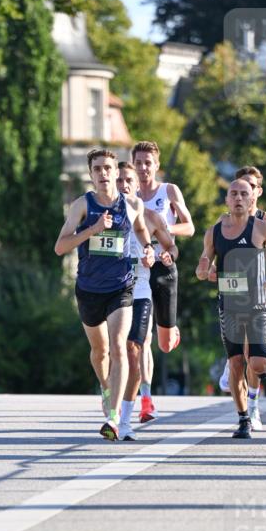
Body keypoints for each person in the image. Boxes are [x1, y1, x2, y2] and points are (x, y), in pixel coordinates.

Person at [54, 147, 154, 441]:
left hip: (121, 287)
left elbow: (141, 230)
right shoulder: (81, 206)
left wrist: (148, 249)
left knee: (120, 347)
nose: (103, 173)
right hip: (89, 289)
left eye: (107, 168)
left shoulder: (132, 204)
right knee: (100, 353)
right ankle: (106, 387)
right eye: (97, 169)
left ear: (116, 172)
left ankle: (116, 419)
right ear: (91, 174)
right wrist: (93, 229)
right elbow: (60, 247)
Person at [196, 178, 266, 439]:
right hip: (229, 306)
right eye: (233, 194)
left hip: (257, 305)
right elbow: (203, 266)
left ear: (252, 199)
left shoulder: (262, 228)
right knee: (236, 362)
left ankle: (260, 367)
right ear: (226, 199)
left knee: (257, 364)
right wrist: (203, 270)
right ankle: (243, 418)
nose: (238, 198)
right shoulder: (214, 232)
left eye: (243, 194)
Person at [132, 140, 195, 422]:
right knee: (143, 338)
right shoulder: (129, 195)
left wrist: (164, 228)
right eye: (139, 163)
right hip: (139, 270)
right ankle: (146, 401)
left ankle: (171, 330)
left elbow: (190, 226)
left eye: (148, 163)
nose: (143, 168)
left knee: (165, 344)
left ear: (156, 165)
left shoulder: (168, 191)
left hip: (164, 265)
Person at [115, 162, 178, 441]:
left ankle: (125, 420)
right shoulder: (100, 216)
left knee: (134, 350)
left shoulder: (149, 217)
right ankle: (111, 400)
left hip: (140, 291)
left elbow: (171, 246)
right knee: (110, 352)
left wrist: (164, 255)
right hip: (109, 292)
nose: (123, 185)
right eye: (118, 180)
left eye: (128, 180)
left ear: (136, 184)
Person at [217, 165, 266, 430]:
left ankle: (253, 404)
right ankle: (234, 375)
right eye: (238, 189)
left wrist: (259, 252)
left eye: (250, 188)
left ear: (257, 192)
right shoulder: (224, 222)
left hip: (257, 295)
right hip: (232, 296)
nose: (243, 194)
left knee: (254, 358)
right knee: (239, 357)